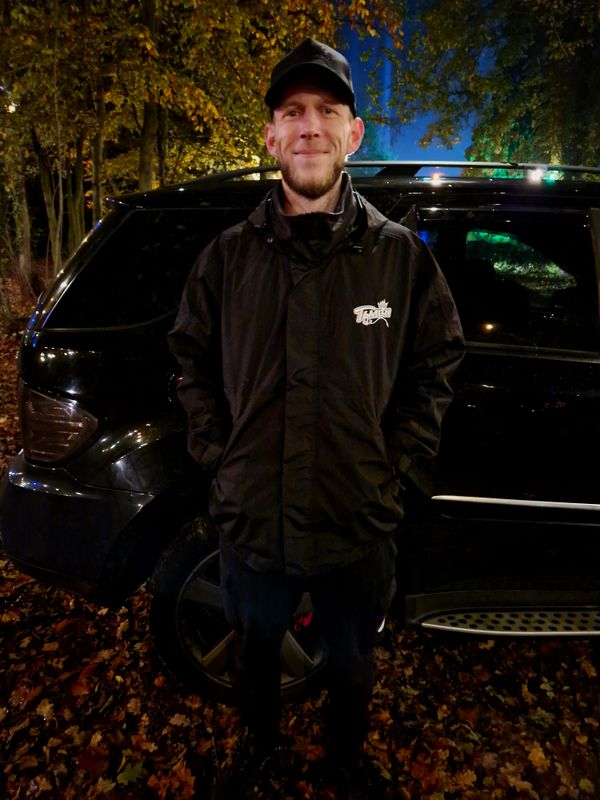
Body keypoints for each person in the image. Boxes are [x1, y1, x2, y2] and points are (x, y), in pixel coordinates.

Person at [168, 37, 465, 799]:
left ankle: (344, 761)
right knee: (255, 651)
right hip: (254, 516)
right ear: (271, 136)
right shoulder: (227, 259)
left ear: (352, 134)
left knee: (353, 660)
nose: (310, 126)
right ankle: (259, 747)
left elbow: (437, 362)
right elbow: (188, 360)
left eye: (328, 111)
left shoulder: (399, 259)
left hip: (357, 516)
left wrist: (396, 468)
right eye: (293, 112)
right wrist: (220, 459)